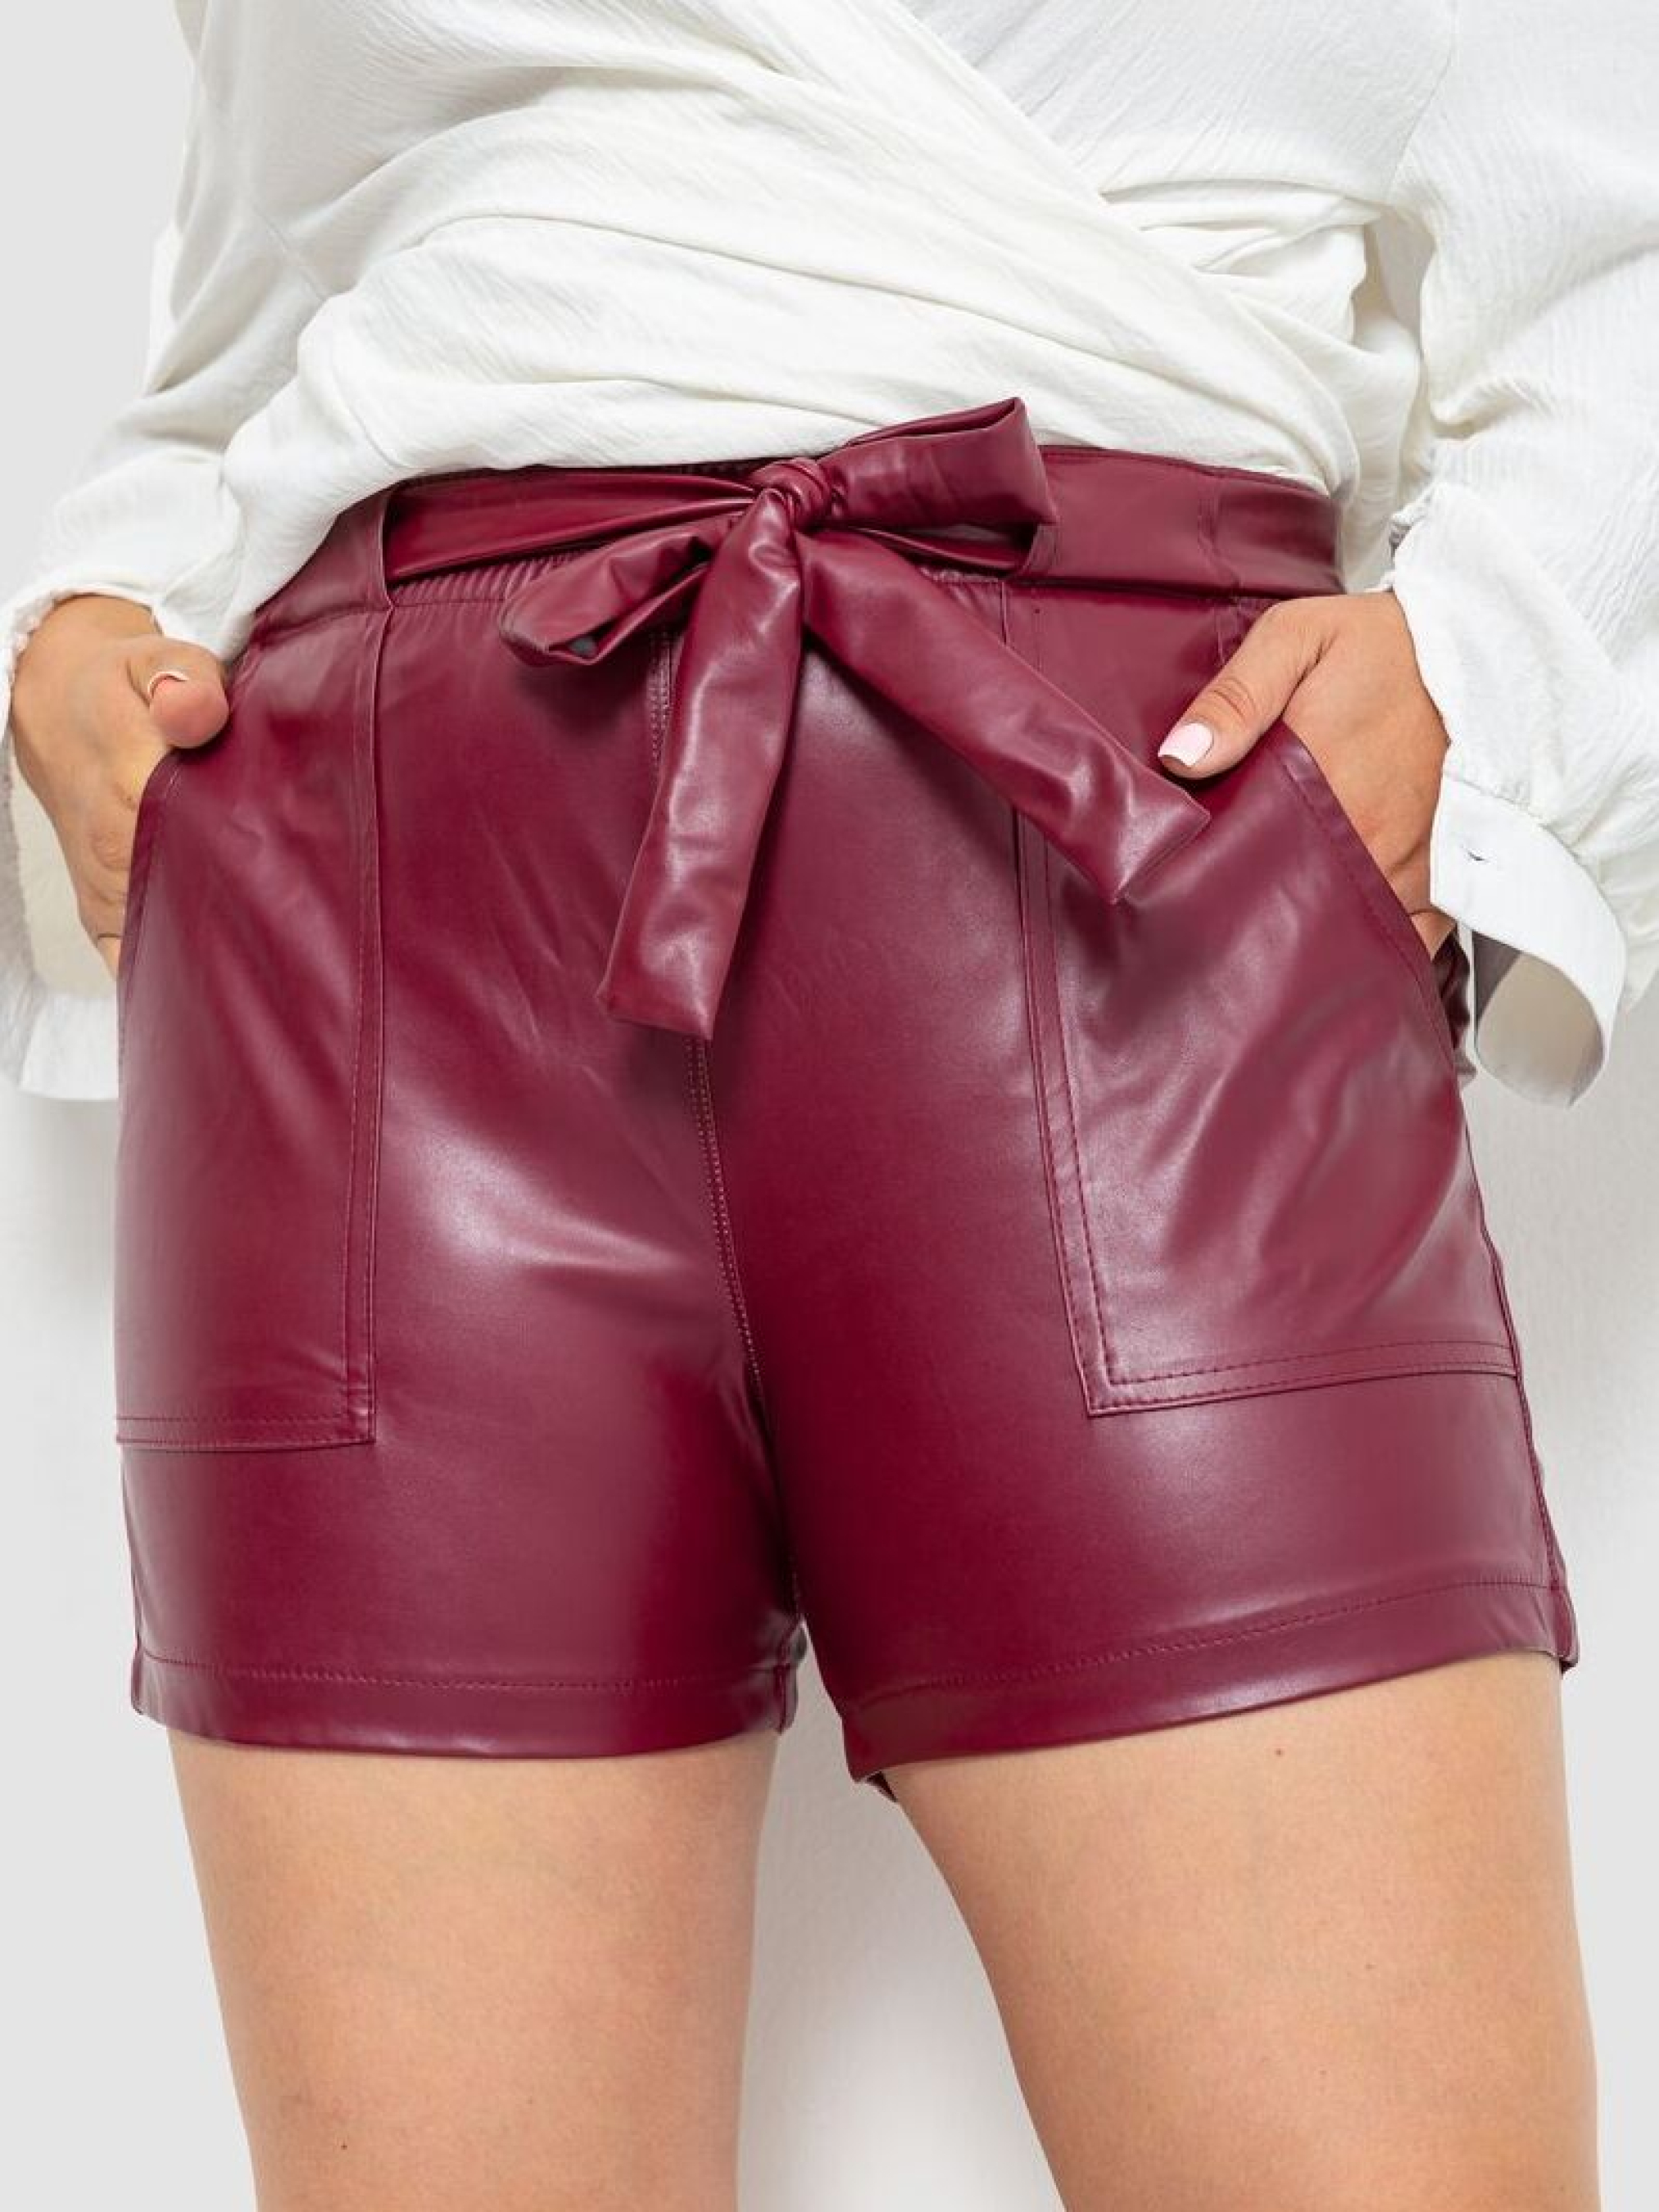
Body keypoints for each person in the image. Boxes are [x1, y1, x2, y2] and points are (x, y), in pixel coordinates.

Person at [3, 4, 1652, 2206]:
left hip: (1128, 884)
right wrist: (87, 620)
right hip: (380, 935)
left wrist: (1487, 681)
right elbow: (277, 265)